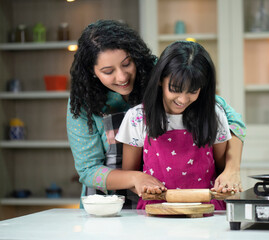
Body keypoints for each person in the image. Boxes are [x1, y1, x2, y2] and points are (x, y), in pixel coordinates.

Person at [66, 20, 246, 208]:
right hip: (108, 202)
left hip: (165, 199)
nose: (122, 77)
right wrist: (136, 177)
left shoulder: (159, 74)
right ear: (92, 72)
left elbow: (232, 121)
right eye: (108, 71)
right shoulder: (82, 100)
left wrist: (232, 169)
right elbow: (88, 170)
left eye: (127, 64)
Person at [116, 41, 238, 210]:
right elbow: (128, 174)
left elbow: (221, 169)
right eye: (175, 89)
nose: (182, 99)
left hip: (207, 211)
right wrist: (143, 184)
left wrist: (227, 182)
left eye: (192, 91)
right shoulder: (137, 117)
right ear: (160, 80)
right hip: (156, 211)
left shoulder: (214, 114)